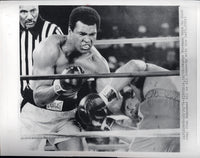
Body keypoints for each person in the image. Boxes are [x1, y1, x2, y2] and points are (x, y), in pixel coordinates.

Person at [20, 6, 110, 151]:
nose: (87, 40)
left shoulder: (98, 63)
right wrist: (60, 86)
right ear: (69, 30)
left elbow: (108, 101)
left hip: (67, 117)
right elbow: (39, 98)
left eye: (92, 34)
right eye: (82, 34)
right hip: (35, 114)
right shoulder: (49, 49)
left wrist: (115, 103)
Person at [76, 59, 180, 152]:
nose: (132, 112)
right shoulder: (149, 112)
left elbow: (134, 65)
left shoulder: (138, 80)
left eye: (126, 108)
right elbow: (142, 139)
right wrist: (109, 124)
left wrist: (103, 97)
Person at [20, 5, 63, 110]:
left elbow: (65, 64)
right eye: (24, 12)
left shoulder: (52, 30)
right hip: (15, 95)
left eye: (33, 11)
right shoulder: (7, 30)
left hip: (44, 99)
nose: (30, 17)